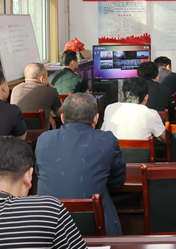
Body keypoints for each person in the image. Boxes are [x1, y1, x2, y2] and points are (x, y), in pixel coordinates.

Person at [36, 93, 127, 236]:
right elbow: (118, 181)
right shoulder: (107, 140)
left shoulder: (43, 139)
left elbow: (39, 173)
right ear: (96, 118)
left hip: (48, 227)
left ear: (62, 118)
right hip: (94, 226)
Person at [102, 77, 167, 143]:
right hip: (139, 150)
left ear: (123, 95)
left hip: (111, 149)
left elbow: (103, 134)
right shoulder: (151, 114)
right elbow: (165, 139)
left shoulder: (109, 108)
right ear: (146, 97)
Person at [10, 62, 63, 129]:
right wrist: (52, 87)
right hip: (40, 133)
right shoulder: (50, 91)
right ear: (41, 79)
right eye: (47, 76)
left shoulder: (15, 89)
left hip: (17, 132)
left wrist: (48, 115)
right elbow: (60, 113)